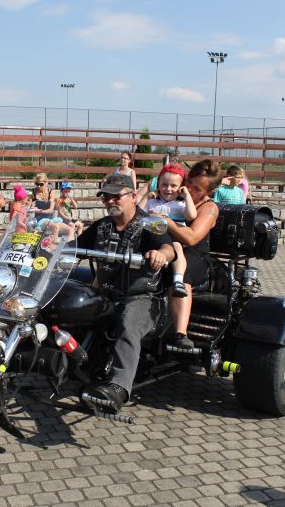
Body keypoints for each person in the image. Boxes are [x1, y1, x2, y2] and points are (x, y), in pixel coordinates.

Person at [75, 173, 175, 411]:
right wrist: (49, 248)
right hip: (106, 294)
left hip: (142, 297)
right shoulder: (102, 226)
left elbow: (169, 248)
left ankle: (119, 388)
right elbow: (74, 247)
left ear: (133, 196)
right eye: (105, 197)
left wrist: (160, 254)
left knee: (129, 323)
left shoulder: (149, 223)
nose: (110, 201)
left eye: (116, 196)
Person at [166, 159, 224, 348]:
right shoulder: (174, 195)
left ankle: (180, 333)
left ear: (209, 192)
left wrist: (166, 221)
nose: (189, 189)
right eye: (189, 182)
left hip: (195, 255)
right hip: (167, 248)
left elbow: (191, 238)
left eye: (197, 189)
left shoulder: (209, 208)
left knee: (181, 271)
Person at [138, 162, 196, 300]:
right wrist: (146, 197)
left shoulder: (181, 204)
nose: (168, 189)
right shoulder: (153, 202)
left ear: (181, 187)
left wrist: (187, 195)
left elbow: (191, 215)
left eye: (173, 186)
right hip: (154, 235)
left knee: (177, 249)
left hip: (173, 236)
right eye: (164, 184)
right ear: (158, 184)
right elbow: (138, 214)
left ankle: (178, 280)